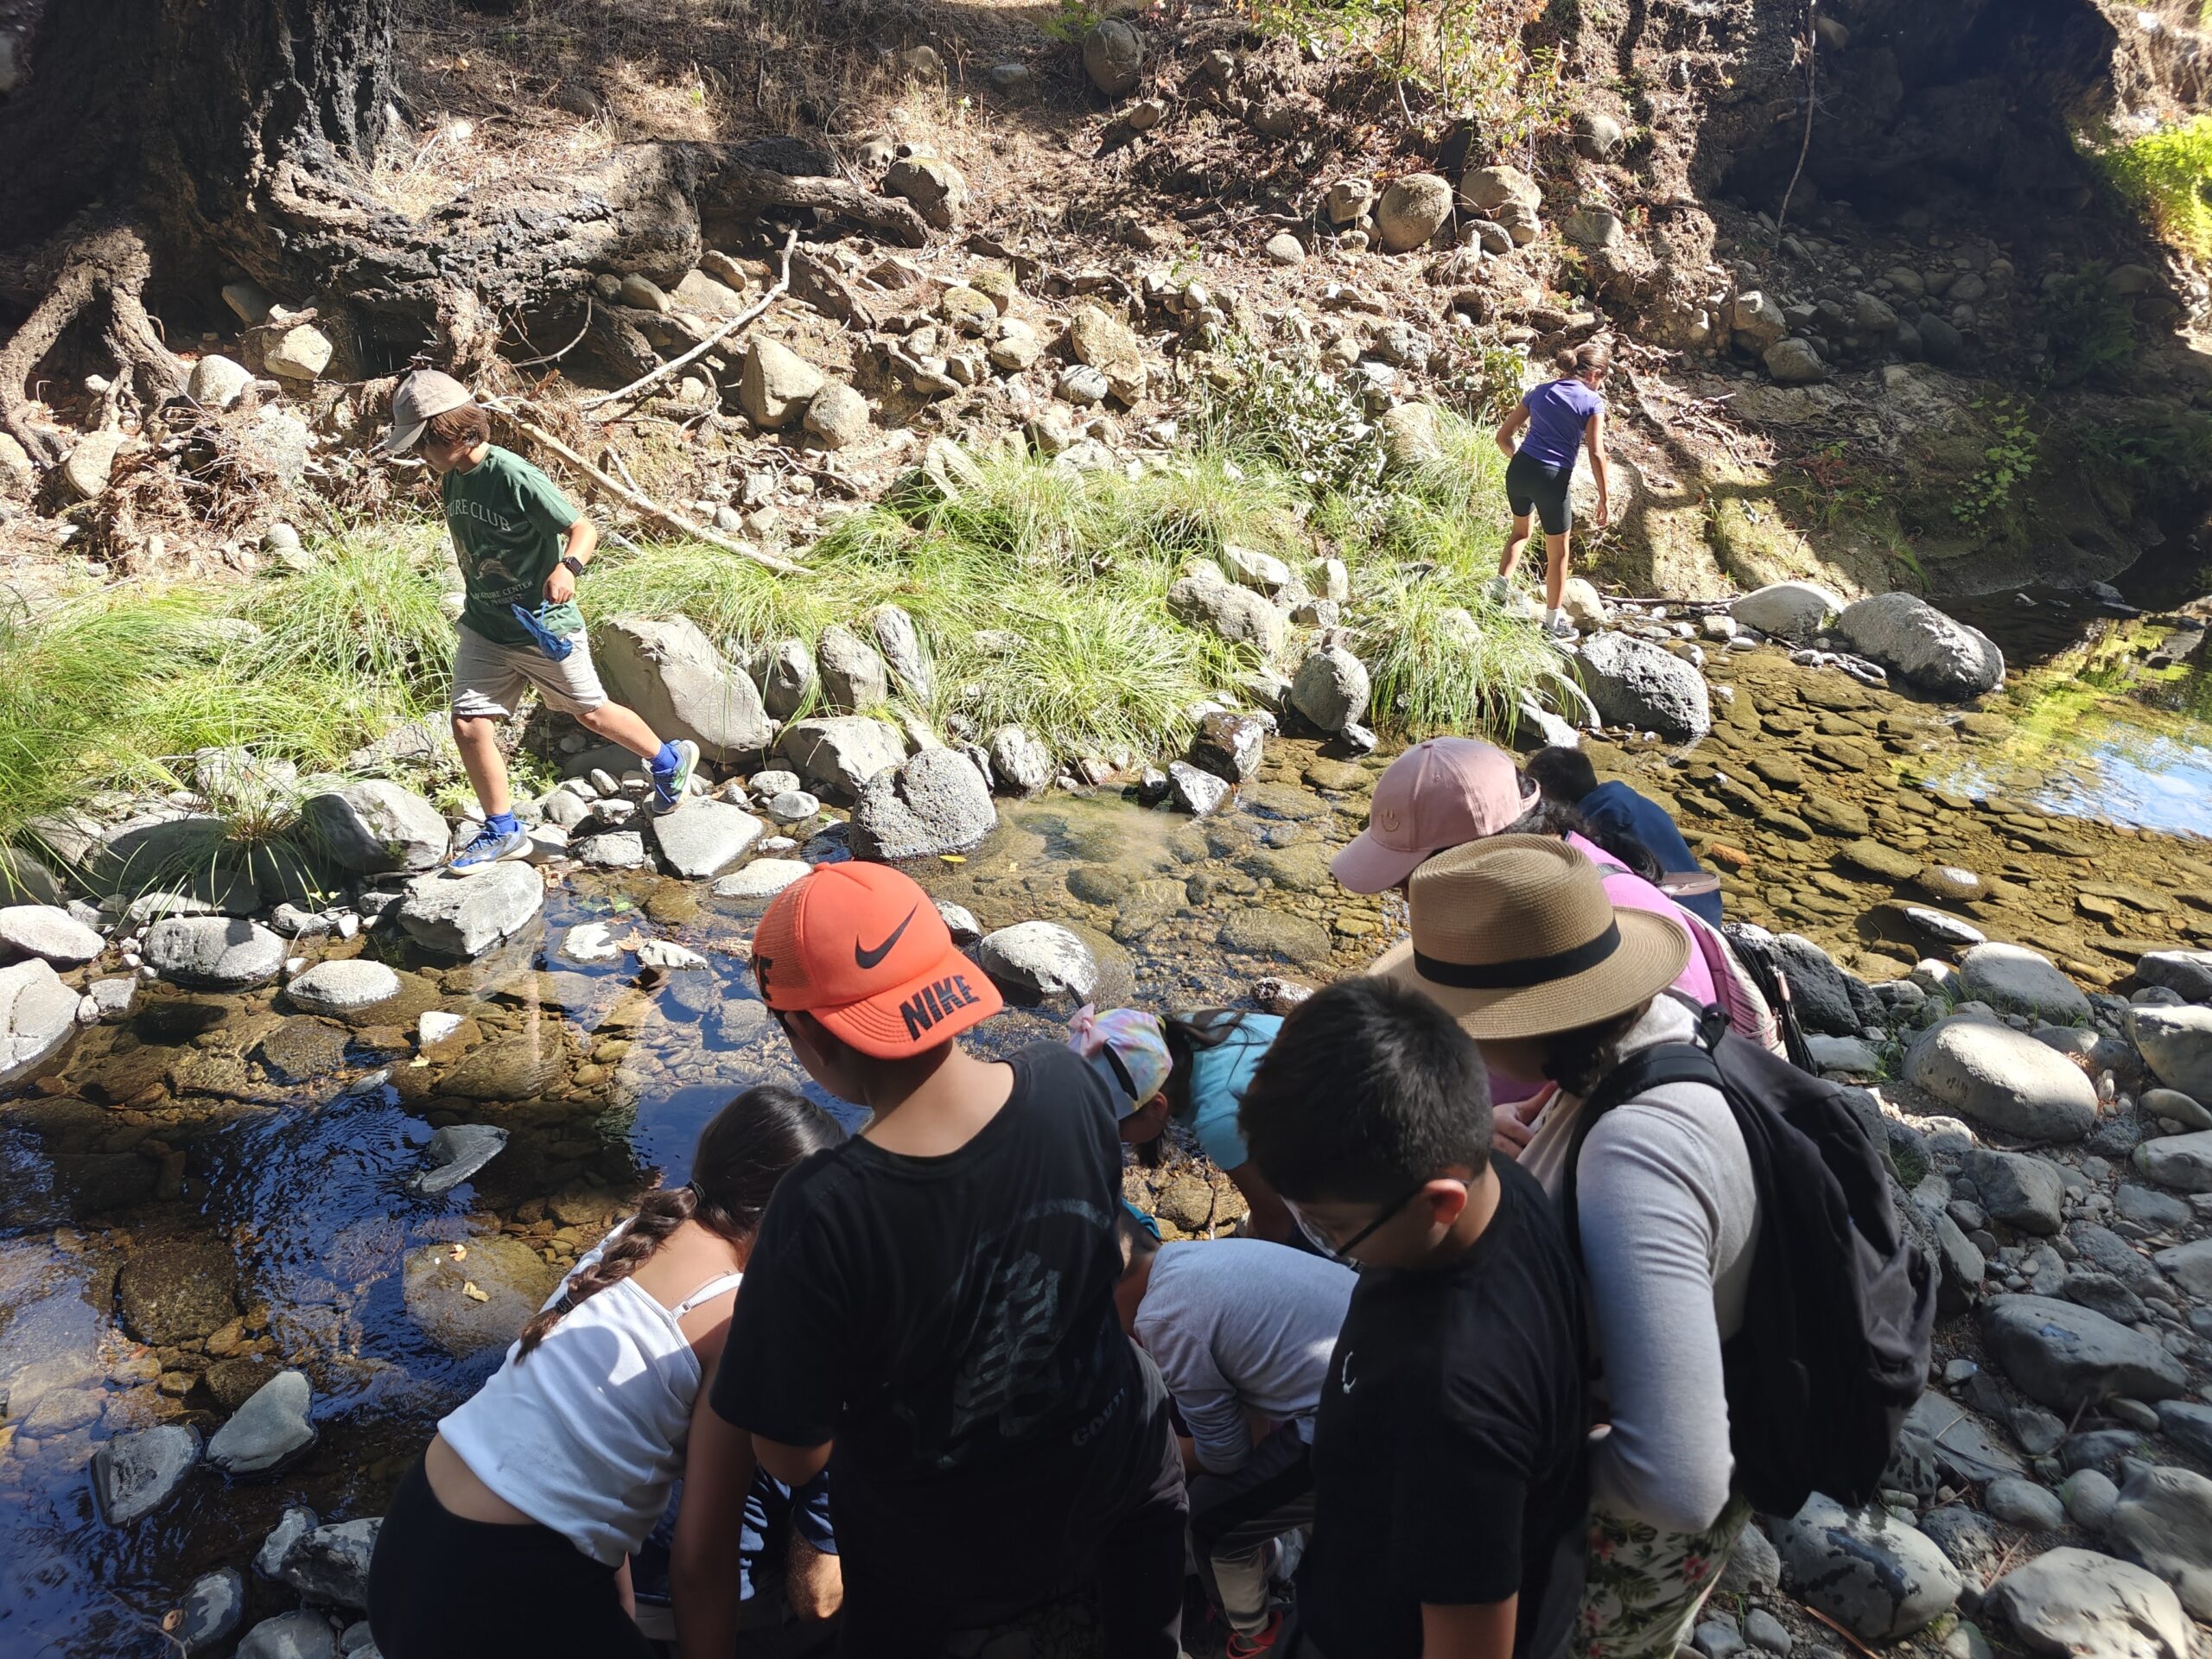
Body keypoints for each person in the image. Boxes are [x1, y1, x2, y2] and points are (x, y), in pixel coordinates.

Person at [697, 862, 1187, 1659]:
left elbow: (792, 1453)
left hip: (946, 1552)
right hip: (1121, 1460)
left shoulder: (821, 1209)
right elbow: (1101, 1254)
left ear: (810, 1034)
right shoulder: (1068, 1083)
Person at [1376, 836, 1760, 1659]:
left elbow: (1682, 1484)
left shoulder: (1636, 1158)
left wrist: (1507, 1475)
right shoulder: (1643, 1033)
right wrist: (1533, 1132)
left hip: (1623, 1536)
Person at [366, 1084, 846, 1659]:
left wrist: (614, 1611)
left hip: (412, 1538)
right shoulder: (737, 1320)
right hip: (503, 1584)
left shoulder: (637, 1235)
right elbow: (702, 1564)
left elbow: (596, 1471)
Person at [1236, 977, 1588, 1659]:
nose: (1324, 1241)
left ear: (1440, 1201)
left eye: (1332, 1226)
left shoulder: (1455, 1401)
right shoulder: (1505, 1181)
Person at [1332, 739, 1777, 1114]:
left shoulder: (1580, 945)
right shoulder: (1568, 879)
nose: (1407, 900)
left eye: (1408, 883)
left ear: (1476, 857)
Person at [372, 369, 701, 870]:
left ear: (455, 434)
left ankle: (668, 761)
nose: (419, 456)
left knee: (590, 712)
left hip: (542, 624)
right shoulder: (453, 476)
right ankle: (503, 829)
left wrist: (568, 568)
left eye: (422, 445)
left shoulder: (513, 475)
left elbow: (582, 528)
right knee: (468, 722)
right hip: (486, 623)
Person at [1114, 1213, 1356, 1656]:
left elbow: (1224, 1456)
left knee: (1210, 1521)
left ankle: (1251, 1635)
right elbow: (1248, 1399)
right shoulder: (1189, 1259)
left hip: (1350, 1424)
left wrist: (1144, 1449)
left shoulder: (1163, 1320)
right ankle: (1277, 1548)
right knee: (1245, 1487)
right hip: (1363, 1371)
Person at [1068, 1004, 1295, 1243]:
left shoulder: (1217, 1119)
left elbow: (1277, 1219)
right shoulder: (1177, 1036)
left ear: (1157, 1106)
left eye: (1113, 1133)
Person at [1489, 341, 1612, 639]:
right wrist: (1604, 497)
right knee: (1558, 553)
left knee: (1520, 533)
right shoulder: (1592, 402)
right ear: (1595, 374)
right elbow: (1596, 453)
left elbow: (1503, 437)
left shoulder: (1539, 391)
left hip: (1519, 470)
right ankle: (1553, 623)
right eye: (1603, 380)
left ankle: (1495, 598)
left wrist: (1522, 459)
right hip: (1553, 478)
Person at [1522, 746, 1723, 926]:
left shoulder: (1596, 828)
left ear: (1548, 796)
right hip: (1709, 907)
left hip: (1683, 922)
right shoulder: (1630, 800)